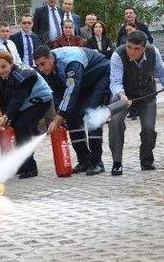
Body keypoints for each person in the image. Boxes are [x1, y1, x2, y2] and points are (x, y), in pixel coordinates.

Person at [33, 45, 110, 175]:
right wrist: (60, 114)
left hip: (99, 76)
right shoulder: (47, 69)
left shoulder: (71, 62)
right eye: (38, 65)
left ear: (51, 58)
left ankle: (97, 162)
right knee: (72, 116)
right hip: (82, 81)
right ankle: (84, 160)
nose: (40, 68)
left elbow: (71, 90)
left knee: (92, 115)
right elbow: (57, 93)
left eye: (42, 64)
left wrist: (60, 115)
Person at [108, 30, 164, 174]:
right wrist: (121, 95)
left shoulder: (153, 52)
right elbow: (115, 81)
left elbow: (162, 72)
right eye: (129, 47)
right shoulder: (117, 55)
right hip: (124, 96)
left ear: (144, 48)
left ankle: (146, 160)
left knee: (149, 129)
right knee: (115, 123)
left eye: (137, 49)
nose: (132, 52)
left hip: (147, 95)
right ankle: (117, 162)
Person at [0, 51, 53, 179]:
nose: (1, 70)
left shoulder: (23, 76)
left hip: (40, 100)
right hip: (24, 102)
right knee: (14, 125)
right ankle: (22, 165)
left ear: (11, 64)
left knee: (22, 126)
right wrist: (5, 116)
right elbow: (3, 99)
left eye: (4, 67)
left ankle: (31, 168)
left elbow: (17, 100)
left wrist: (7, 116)